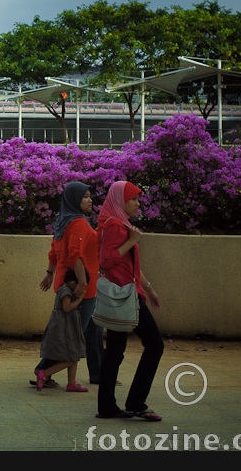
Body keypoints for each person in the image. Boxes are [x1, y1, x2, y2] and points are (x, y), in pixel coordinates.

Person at [95, 180, 165, 421]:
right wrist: (132, 240)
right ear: (120, 200)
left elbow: (130, 265)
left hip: (128, 293)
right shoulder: (115, 225)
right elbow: (107, 260)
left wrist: (150, 289)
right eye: (133, 199)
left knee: (114, 350)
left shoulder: (119, 223)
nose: (137, 204)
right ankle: (135, 402)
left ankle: (107, 407)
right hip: (125, 296)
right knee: (155, 345)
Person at [35, 181, 104, 387]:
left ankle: (99, 373)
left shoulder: (63, 221)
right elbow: (75, 255)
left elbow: (54, 251)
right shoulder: (78, 223)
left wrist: (49, 273)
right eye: (85, 196)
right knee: (73, 333)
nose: (90, 200)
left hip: (67, 283)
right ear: (74, 199)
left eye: (90, 196)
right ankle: (43, 370)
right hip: (81, 287)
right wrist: (83, 283)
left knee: (93, 330)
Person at [36, 268, 88, 392]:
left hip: (67, 327)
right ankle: (44, 373)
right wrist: (80, 300)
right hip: (64, 329)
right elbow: (67, 307)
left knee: (74, 354)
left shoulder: (64, 289)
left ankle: (71, 383)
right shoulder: (66, 291)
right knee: (71, 358)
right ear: (73, 283)